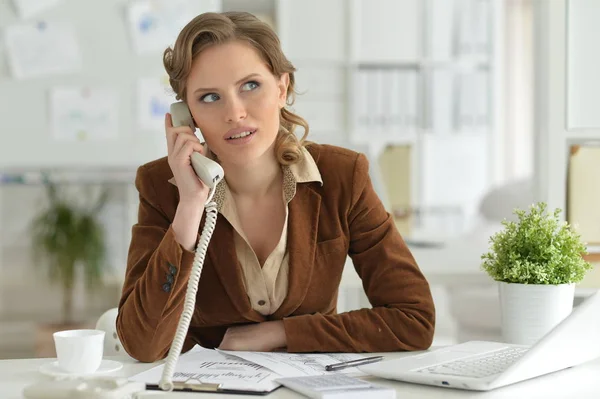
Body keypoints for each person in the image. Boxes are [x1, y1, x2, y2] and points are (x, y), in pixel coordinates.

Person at [117, 11, 435, 363]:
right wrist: (190, 207)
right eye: (209, 97)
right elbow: (142, 344)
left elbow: (414, 319)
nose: (235, 113)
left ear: (282, 88)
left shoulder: (343, 176)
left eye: (250, 86)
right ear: (186, 115)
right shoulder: (162, 188)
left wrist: (280, 333)